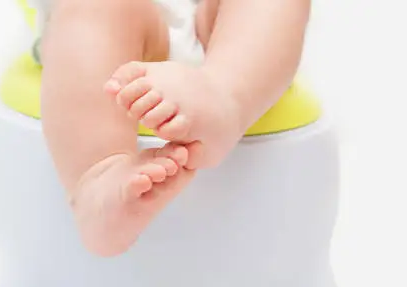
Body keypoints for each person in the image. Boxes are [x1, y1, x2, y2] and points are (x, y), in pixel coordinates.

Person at [31, 0, 311, 256]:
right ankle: (97, 179)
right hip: (110, 39)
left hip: (219, 34)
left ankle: (225, 96)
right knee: (98, 9)